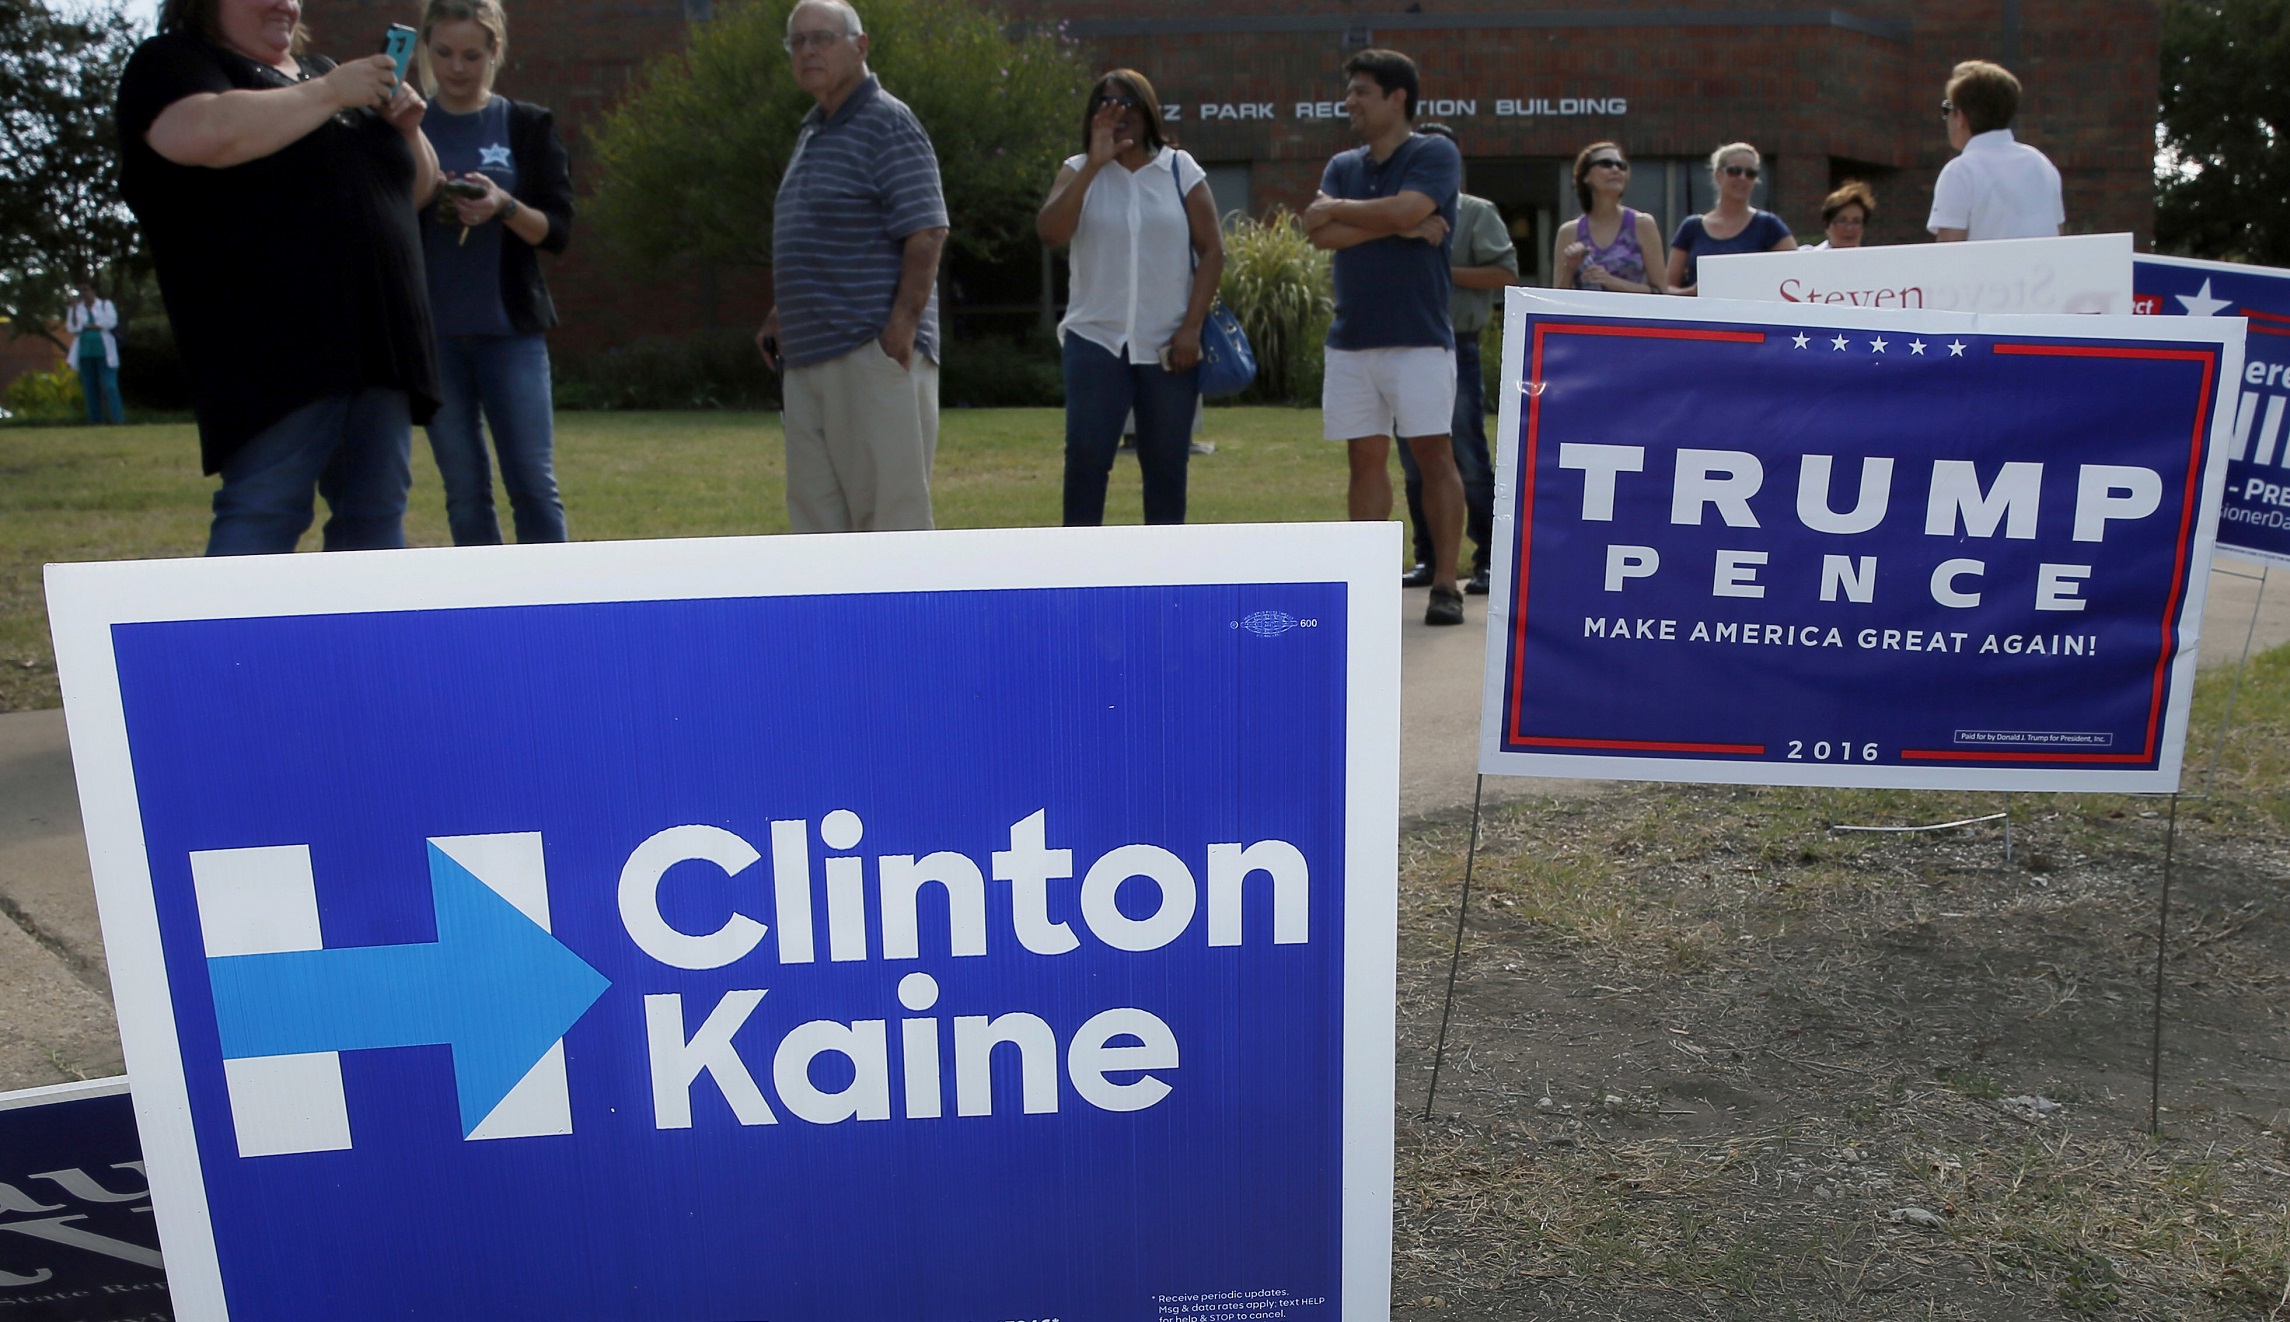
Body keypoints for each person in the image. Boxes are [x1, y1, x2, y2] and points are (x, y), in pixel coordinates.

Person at [117, 0, 439, 555]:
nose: (285, 3)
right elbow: (205, 134)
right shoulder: (174, 63)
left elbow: (414, 192)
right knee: (266, 511)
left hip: (380, 346)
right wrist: (334, 92)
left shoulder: (323, 72)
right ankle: (226, 644)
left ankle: (358, 645)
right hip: (277, 348)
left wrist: (407, 131)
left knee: (376, 518)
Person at [754, 0, 946, 534]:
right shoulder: (814, 130)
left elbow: (927, 229)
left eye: (822, 38)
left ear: (859, 46)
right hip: (810, 356)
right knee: (818, 528)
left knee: (890, 523)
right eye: (798, 42)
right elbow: (820, 236)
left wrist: (899, 332)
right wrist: (780, 312)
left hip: (869, 352)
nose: (808, 50)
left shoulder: (888, 121)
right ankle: (831, 623)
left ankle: (902, 623)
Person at [1303, 48, 1469, 627]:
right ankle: (1371, 585)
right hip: (1352, 340)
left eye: (1361, 91)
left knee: (1433, 456)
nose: (1349, 101)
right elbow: (1316, 232)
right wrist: (1397, 225)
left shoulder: (1435, 152)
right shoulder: (1342, 162)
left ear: (1397, 98)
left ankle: (1446, 584)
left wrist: (1348, 213)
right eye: (1349, 91)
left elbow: (1405, 208)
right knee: (1364, 460)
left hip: (1418, 337)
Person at [416, 0, 573, 547]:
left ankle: (552, 606)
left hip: (511, 335)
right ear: (425, 49)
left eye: (472, 55)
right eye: (444, 53)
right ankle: (482, 617)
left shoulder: (526, 124)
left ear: (495, 53)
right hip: (434, 339)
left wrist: (503, 205)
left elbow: (556, 231)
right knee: (464, 491)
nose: (457, 68)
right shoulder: (406, 124)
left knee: (533, 485)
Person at [1036, 70, 1223, 526]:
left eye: (1129, 105)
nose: (1119, 115)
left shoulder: (1180, 170)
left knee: (1165, 470)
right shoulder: (1079, 169)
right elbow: (1051, 232)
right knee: (1086, 461)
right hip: (1095, 340)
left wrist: (1191, 328)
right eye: (1108, 105)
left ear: (1148, 112)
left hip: (1168, 346)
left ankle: (1165, 583)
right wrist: (1096, 165)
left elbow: (1212, 250)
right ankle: (1079, 579)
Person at [1396, 121, 1514, 595]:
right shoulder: (1394, 215)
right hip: (1402, 345)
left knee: (1465, 456)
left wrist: (1440, 265)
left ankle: (1488, 561)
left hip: (1455, 344)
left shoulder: (1476, 213)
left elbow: (1505, 273)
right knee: (1412, 462)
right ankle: (1428, 558)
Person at [1928, 60, 2062, 242]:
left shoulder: (1960, 172)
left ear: (1960, 117)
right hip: (2041, 270)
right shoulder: (2041, 164)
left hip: (1986, 271)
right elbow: (2059, 235)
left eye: (1947, 109)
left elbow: (1949, 252)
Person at [1665, 143, 1796, 296]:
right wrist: (1693, 292)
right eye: (1734, 171)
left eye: (1750, 173)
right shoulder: (1691, 227)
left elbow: (1798, 275)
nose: (1742, 178)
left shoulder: (1769, 226)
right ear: (1718, 175)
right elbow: (1666, 288)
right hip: (1702, 315)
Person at [1554, 141, 1666, 294]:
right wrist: (1569, 269)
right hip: (1586, 317)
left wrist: (1611, 282)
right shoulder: (1569, 232)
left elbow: (1661, 293)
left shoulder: (1643, 224)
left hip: (1630, 316)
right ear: (1586, 176)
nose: (1615, 169)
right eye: (1606, 164)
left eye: (1621, 165)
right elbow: (1557, 302)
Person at [64, 287, 124, 425]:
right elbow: (74, 328)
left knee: (110, 386)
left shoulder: (105, 305)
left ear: (93, 292)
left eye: (87, 291)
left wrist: (92, 325)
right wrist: (73, 309)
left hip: (105, 352)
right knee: (90, 387)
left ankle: (117, 419)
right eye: (82, 292)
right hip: (85, 352)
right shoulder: (77, 308)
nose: (84, 294)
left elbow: (110, 322)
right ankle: (95, 419)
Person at [1804, 180, 1876, 250]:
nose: (1849, 228)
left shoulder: (1875, 260)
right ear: (1827, 224)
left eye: (1856, 222)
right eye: (1842, 221)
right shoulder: (1805, 256)